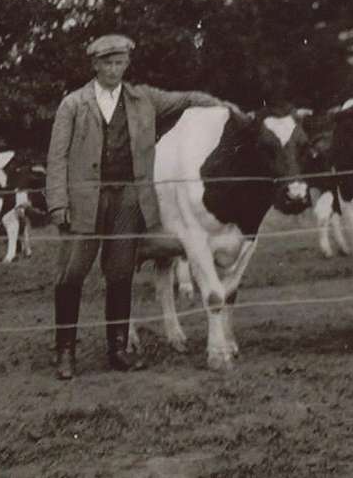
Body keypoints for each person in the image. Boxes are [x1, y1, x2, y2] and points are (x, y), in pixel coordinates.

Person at [46, 33, 230, 380]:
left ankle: (118, 349)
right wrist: (58, 203)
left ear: (127, 65)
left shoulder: (143, 99)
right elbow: (56, 157)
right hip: (85, 201)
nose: (114, 70)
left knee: (119, 273)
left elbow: (187, 98)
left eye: (120, 63)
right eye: (107, 63)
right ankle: (65, 353)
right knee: (72, 275)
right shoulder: (74, 104)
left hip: (128, 200)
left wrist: (224, 108)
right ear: (95, 65)